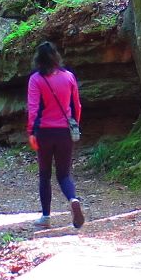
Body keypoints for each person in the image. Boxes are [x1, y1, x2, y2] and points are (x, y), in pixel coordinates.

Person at [25, 39, 84, 229]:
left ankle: (46, 216)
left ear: (38, 59)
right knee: (64, 174)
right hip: (65, 132)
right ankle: (73, 199)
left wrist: (32, 132)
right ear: (56, 57)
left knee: (44, 175)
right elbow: (77, 105)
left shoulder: (36, 80)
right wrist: (75, 124)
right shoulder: (68, 77)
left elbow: (33, 109)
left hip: (44, 132)